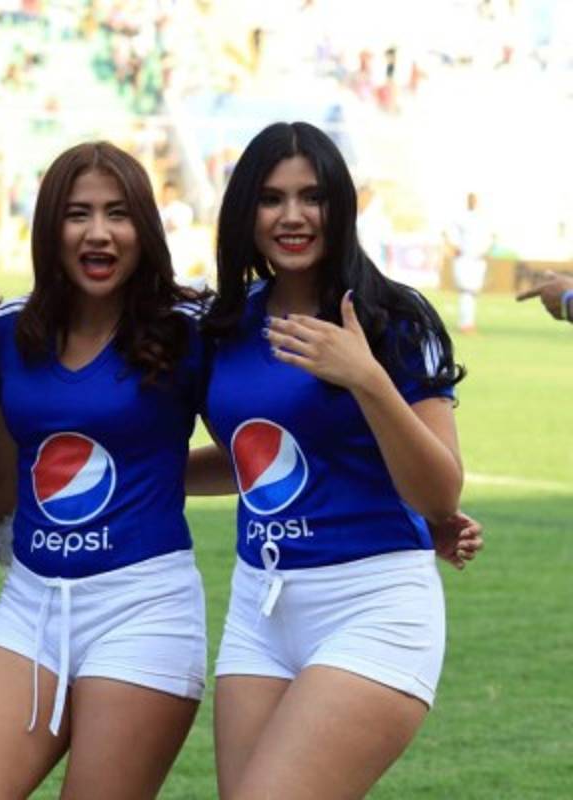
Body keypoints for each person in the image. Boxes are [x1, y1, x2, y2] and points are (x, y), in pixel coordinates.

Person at [0, 141, 208, 798]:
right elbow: (3, 483)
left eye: (118, 213)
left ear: (146, 226)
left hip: (144, 608)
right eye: (78, 213)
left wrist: (162, 476)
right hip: (32, 607)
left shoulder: (186, 331)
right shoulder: (9, 332)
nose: (98, 232)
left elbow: (259, 447)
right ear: (51, 226)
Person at [196, 121, 467, 799]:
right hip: (260, 605)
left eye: (311, 196)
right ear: (244, 213)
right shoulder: (224, 325)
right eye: (270, 198)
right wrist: (139, 482)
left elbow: (440, 495)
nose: (292, 216)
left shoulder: (391, 319)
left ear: (339, 207)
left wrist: (366, 377)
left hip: (372, 603)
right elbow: (253, 459)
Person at [445, 191, 493, 334]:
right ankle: (466, 324)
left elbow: (490, 237)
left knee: (472, 293)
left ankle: (467, 322)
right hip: (465, 259)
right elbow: (448, 233)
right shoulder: (460, 218)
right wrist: (453, 248)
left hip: (478, 260)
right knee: (467, 291)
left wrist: (487, 251)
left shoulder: (483, 219)